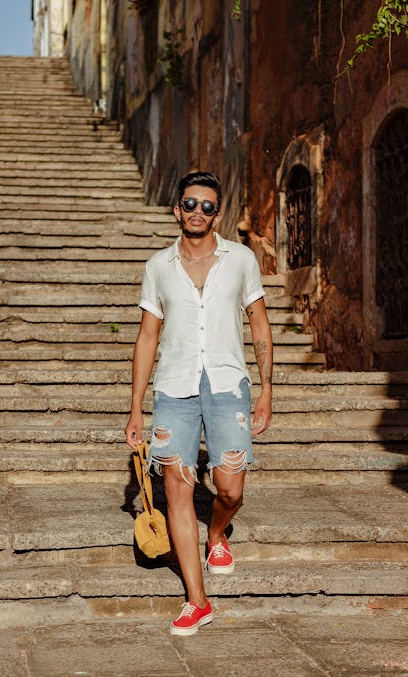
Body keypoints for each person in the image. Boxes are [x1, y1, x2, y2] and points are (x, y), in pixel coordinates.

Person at [125, 171, 273, 635]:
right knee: (177, 491)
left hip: (229, 385)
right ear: (177, 210)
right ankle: (196, 600)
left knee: (230, 489)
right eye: (190, 204)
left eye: (207, 206)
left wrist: (267, 389)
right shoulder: (158, 267)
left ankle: (216, 533)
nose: (197, 213)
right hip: (174, 388)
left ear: (218, 214)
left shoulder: (241, 260)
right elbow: (148, 336)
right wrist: (135, 407)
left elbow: (260, 325)